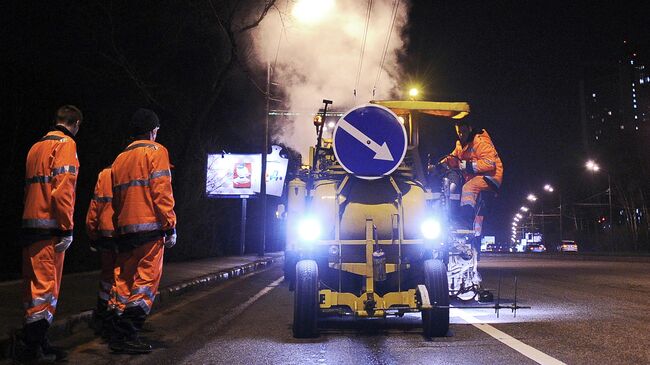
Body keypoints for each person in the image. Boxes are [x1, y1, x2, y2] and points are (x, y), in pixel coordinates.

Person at [108, 108, 177, 354]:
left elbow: (115, 199)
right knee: (146, 281)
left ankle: (116, 330)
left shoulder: (120, 158)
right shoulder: (156, 152)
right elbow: (162, 193)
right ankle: (129, 332)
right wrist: (170, 225)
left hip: (125, 230)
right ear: (153, 130)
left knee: (124, 281)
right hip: (150, 230)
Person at [19, 105, 83, 363]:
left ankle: (37, 342)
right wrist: (66, 228)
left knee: (32, 289)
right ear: (75, 123)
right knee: (46, 290)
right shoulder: (66, 144)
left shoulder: (36, 147)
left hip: (30, 226)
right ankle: (33, 349)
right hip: (50, 229)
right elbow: (63, 190)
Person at [441, 117, 503, 234]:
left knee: (468, 188)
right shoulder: (461, 145)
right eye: (459, 132)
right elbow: (454, 159)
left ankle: (465, 221)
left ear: (470, 129)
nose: (461, 134)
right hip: (477, 177)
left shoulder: (480, 142)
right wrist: (441, 164)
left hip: (491, 177)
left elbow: (490, 163)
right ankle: (463, 222)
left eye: (464, 131)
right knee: (461, 189)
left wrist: (469, 166)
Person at [85, 165, 116, 337]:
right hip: (125, 234)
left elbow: (95, 206)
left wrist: (92, 233)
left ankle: (102, 315)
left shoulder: (103, 175)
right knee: (122, 279)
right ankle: (114, 319)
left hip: (105, 234)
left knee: (107, 277)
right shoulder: (133, 171)